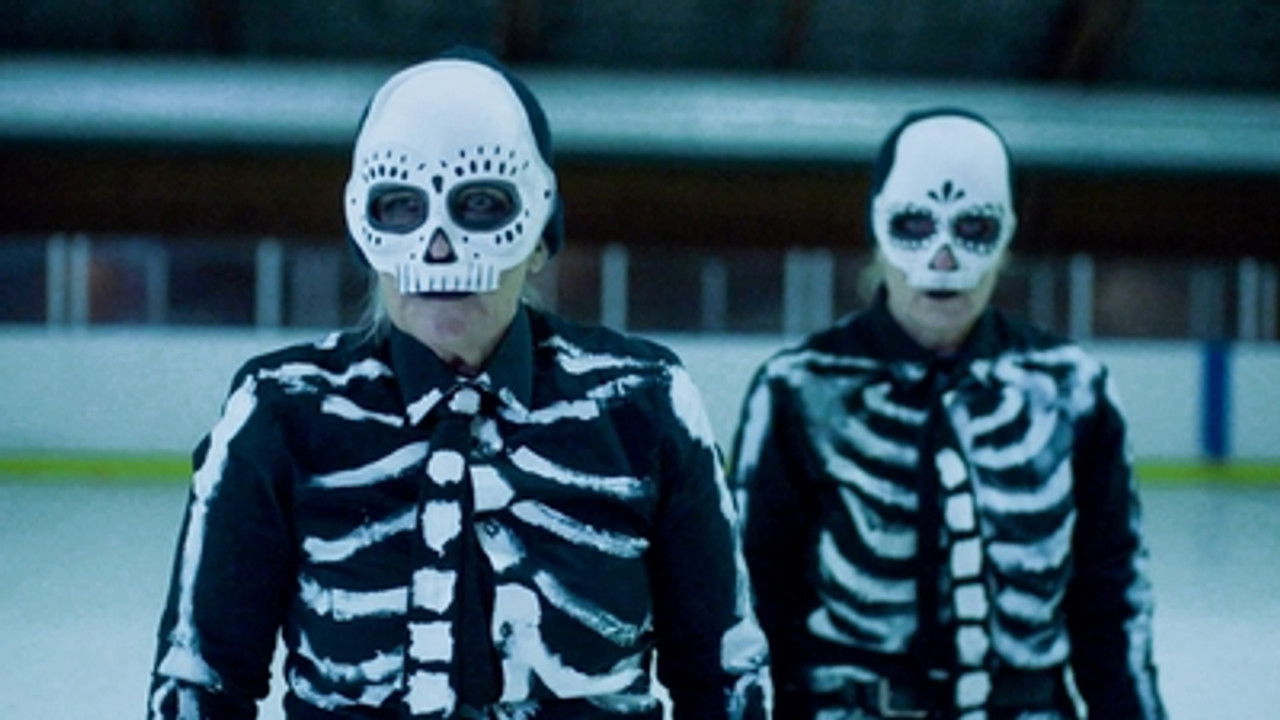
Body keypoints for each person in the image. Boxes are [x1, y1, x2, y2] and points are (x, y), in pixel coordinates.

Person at [147, 46, 771, 720]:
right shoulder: (281, 409)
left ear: (539, 238)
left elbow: (725, 676)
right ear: (364, 235)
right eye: (400, 207)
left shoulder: (642, 402)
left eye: (481, 205)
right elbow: (199, 681)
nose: (440, 248)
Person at [728, 108, 1165, 720]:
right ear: (878, 227)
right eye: (914, 225)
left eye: (974, 228)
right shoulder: (799, 389)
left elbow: (1112, 601)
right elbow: (752, 603)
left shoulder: (1072, 388)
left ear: (1006, 237)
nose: (941, 260)